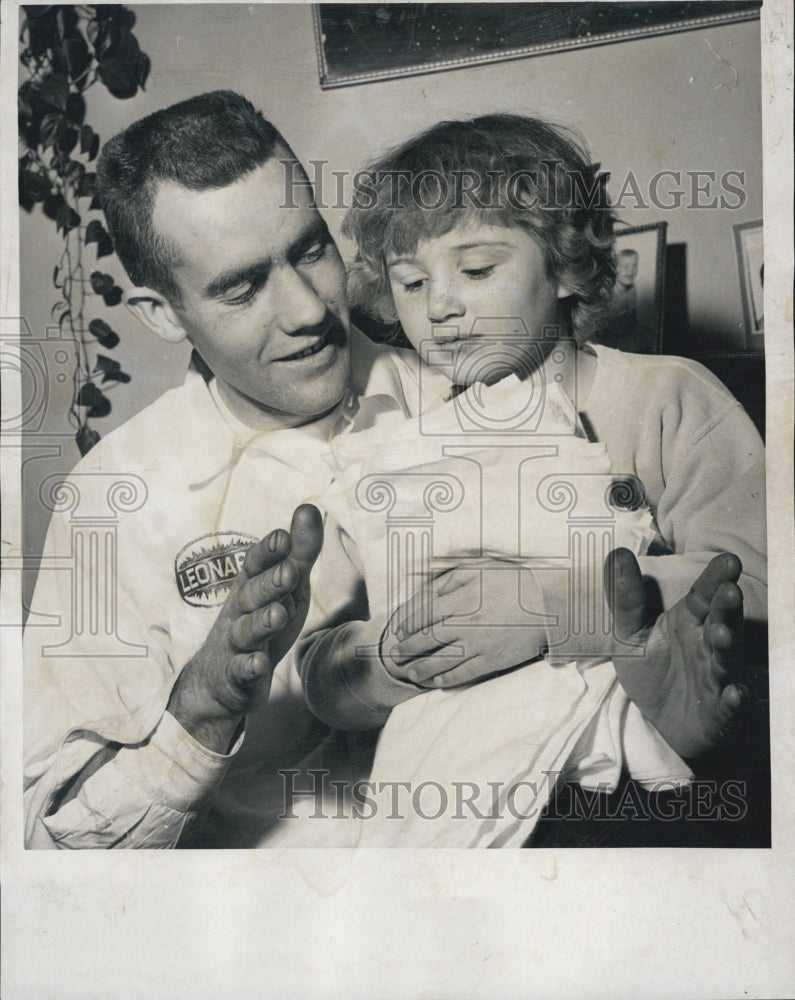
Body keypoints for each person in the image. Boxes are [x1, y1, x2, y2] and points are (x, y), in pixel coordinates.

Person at [23, 95, 760, 849]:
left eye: (311, 251)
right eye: (242, 288)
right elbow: (55, 853)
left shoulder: (468, 380)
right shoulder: (112, 500)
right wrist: (203, 711)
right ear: (162, 313)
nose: (310, 311)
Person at [295, 114, 767, 845]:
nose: (440, 306)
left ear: (567, 264)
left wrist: (549, 609)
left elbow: (766, 587)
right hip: (462, 799)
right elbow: (317, 671)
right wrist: (390, 660)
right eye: (412, 283)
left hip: (642, 791)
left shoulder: (663, 396)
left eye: (476, 271)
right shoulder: (394, 452)